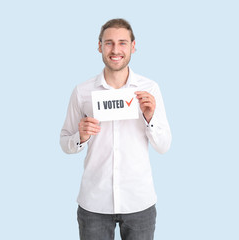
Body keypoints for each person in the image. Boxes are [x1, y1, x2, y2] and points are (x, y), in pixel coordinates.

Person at [60, 18, 172, 240]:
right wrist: (80, 137)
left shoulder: (150, 89)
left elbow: (164, 146)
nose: (115, 49)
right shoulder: (82, 91)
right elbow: (65, 142)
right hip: (94, 204)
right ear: (100, 46)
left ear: (133, 46)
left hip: (139, 202)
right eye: (109, 43)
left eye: (122, 43)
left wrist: (150, 118)